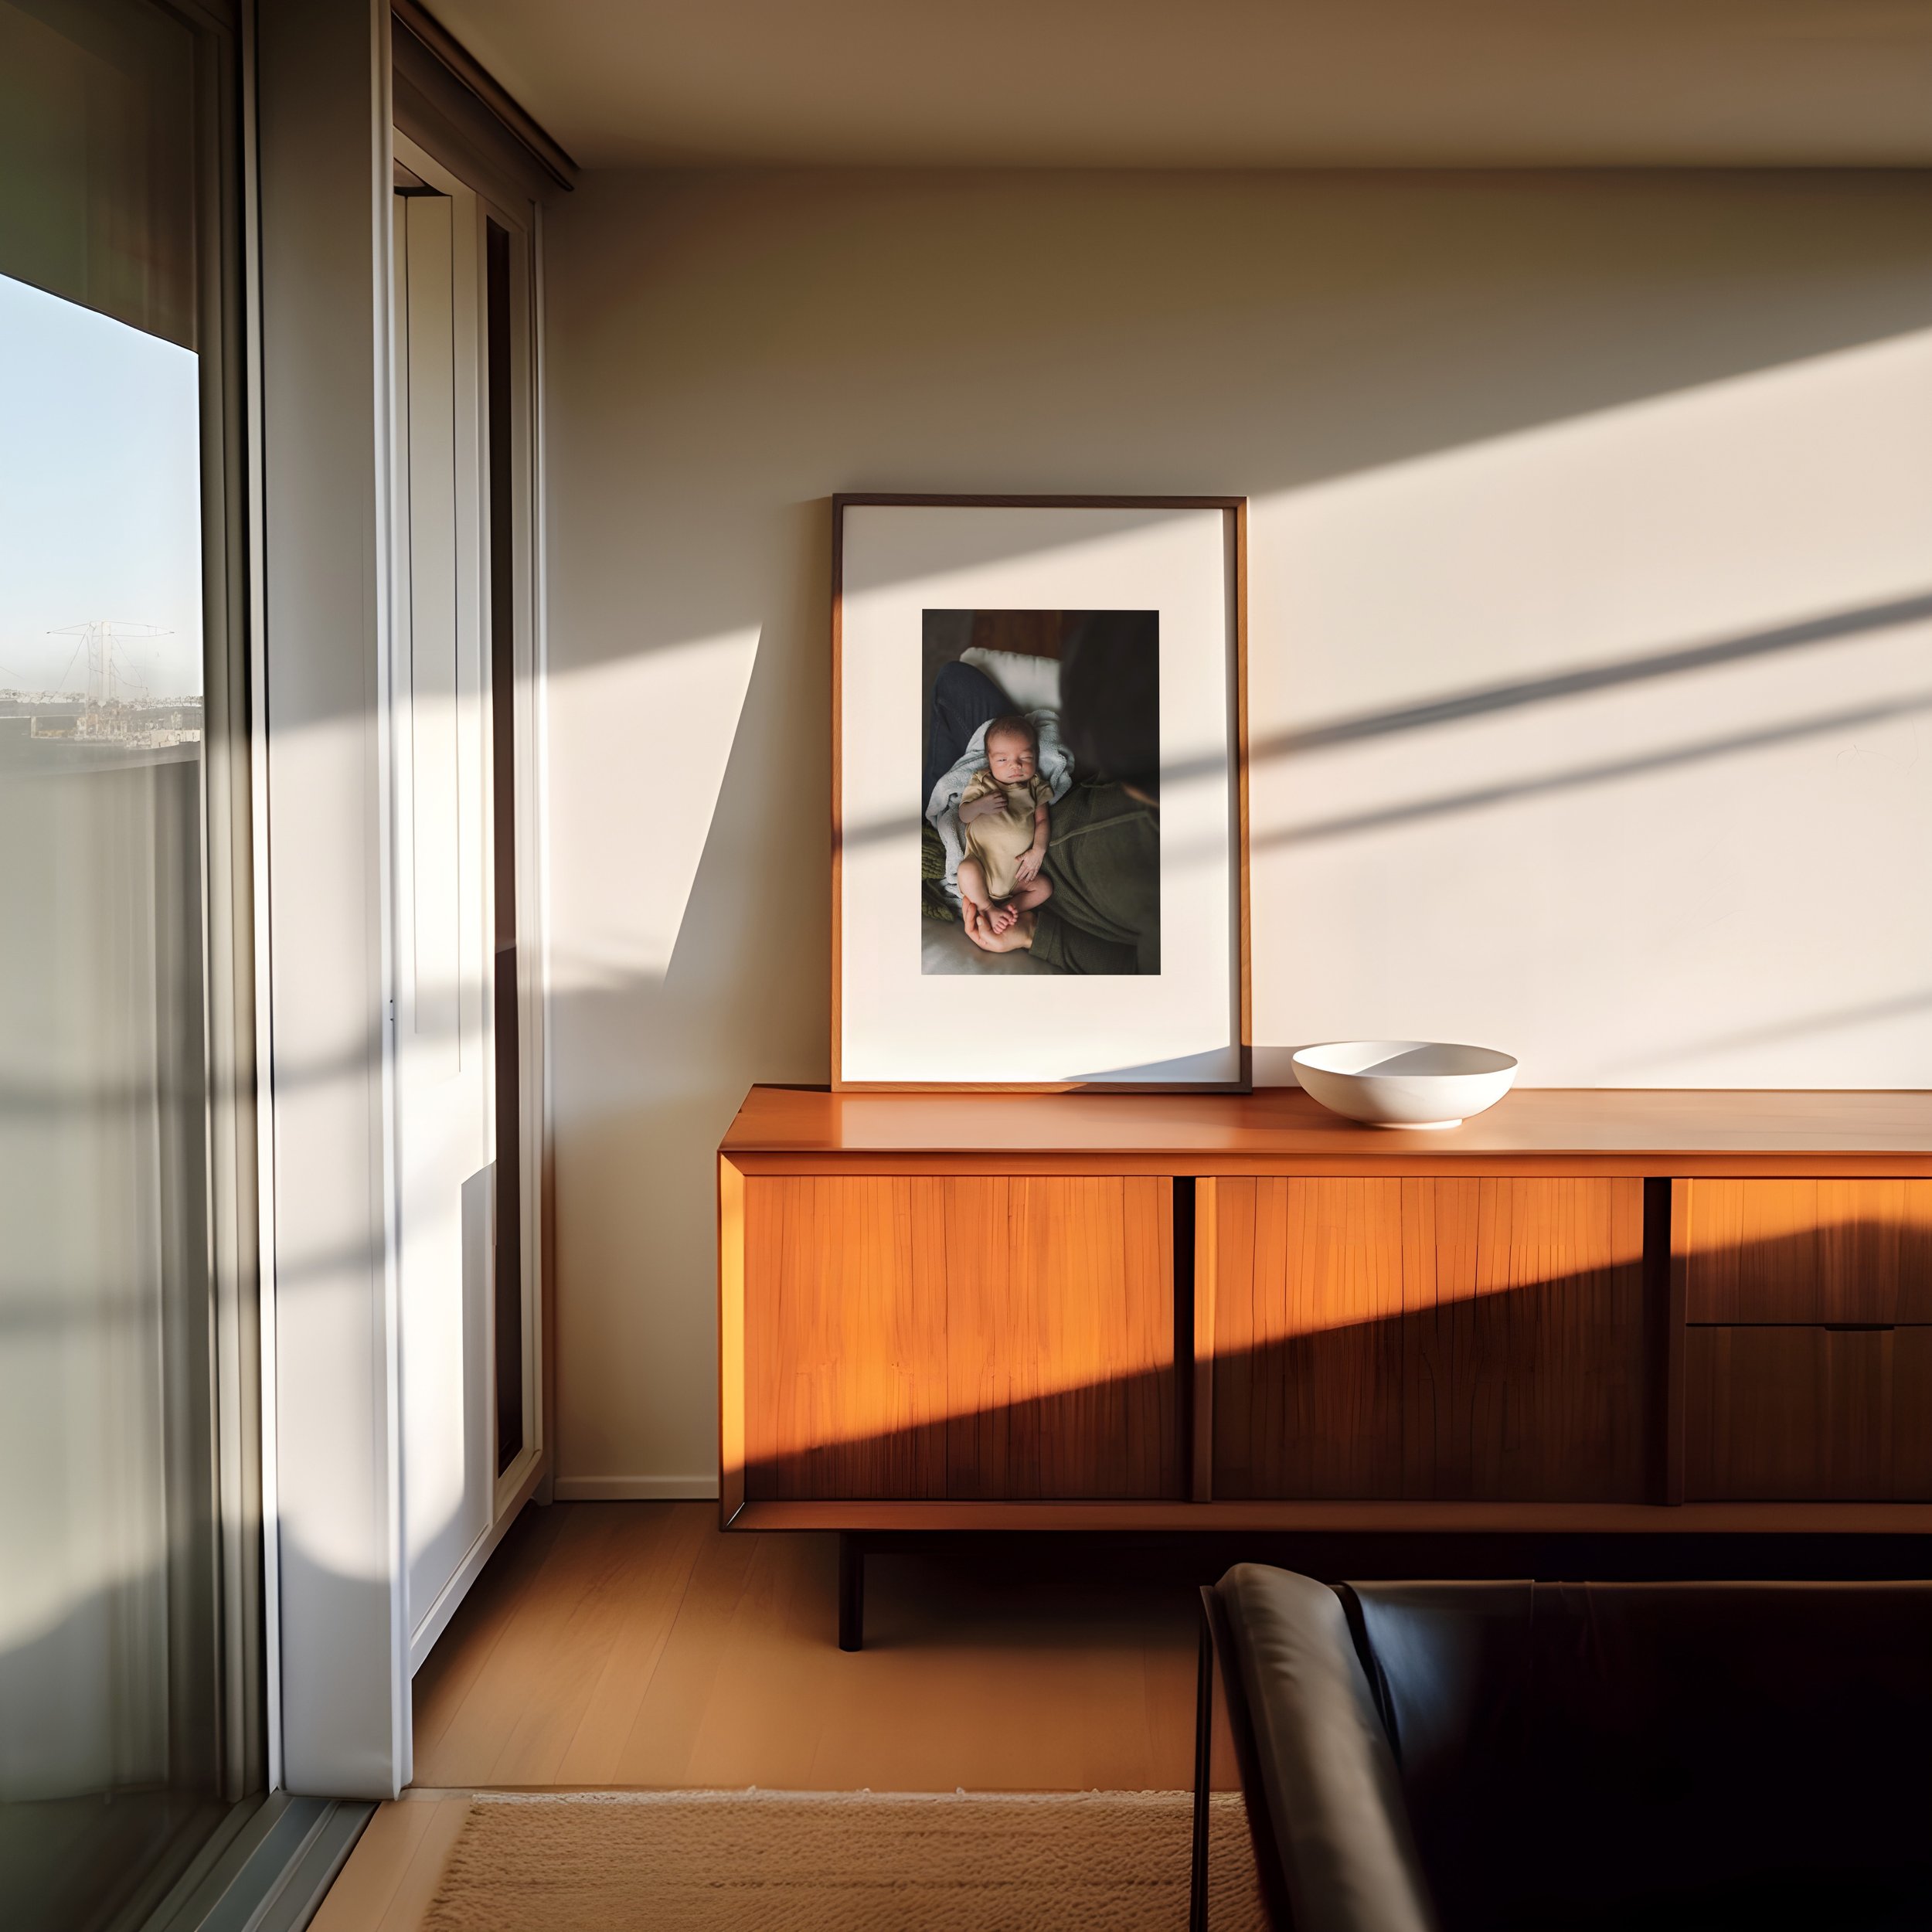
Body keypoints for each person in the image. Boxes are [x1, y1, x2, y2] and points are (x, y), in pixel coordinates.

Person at [922, 614, 1159, 975]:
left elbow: (1139, 971)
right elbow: (962, 811)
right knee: (954, 680)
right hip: (1010, 840)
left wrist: (1030, 931)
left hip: (1027, 887)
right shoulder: (992, 778)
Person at [954, 714, 1053, 936]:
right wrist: (980, 806)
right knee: (966, 870)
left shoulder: (1035, 786)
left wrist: (1038, 850)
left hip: (1017, 878)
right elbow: (963, 815)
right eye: (1002, 760)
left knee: (1044, 887)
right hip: (983, 868)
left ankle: (1010, 909)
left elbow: (1043, 820)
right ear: (989, 761)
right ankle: (987, 907)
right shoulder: (983, 781)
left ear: (1036, 757)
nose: (1015, 765)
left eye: (1026, 757)